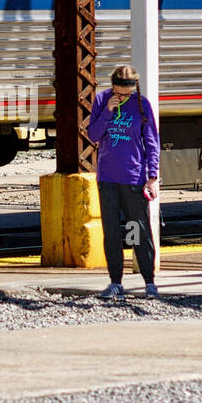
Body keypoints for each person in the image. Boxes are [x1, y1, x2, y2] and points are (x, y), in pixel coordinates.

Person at [87, 64, 161, 300]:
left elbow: (152, 142)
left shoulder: (142, 104)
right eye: (119, 91)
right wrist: (108, 111)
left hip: (133, 177)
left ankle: (149, 282)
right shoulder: (102, 100)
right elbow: (93, 135)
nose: (122, 95)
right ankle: (115, 282)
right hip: (108, 177)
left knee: (137, 231)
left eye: (126, 91)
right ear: (112, 85)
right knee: (111, 232)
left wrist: (153, 176)